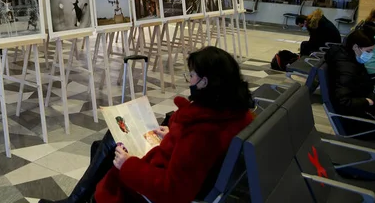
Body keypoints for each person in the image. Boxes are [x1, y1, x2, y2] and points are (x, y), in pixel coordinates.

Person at [38, 47, 254, 203]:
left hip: (155, 186)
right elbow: (193, 156)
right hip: (181, 167)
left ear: (205, 82)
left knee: (110, 146)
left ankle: (76, 201)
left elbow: (173, 191)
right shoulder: (232, 113)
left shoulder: (201, 132)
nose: (189, 80)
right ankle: (76, 200)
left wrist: (128, 164)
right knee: (107, 143)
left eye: (192, 75)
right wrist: (173, 134)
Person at [325, 30, 375, 138]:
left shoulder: (348, 58)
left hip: (363, 112)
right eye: (368, 51)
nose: (371, 55)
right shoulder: (347, 69)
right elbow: (343, 101)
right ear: (355, 47)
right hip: (360, 122)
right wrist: (367, 101)